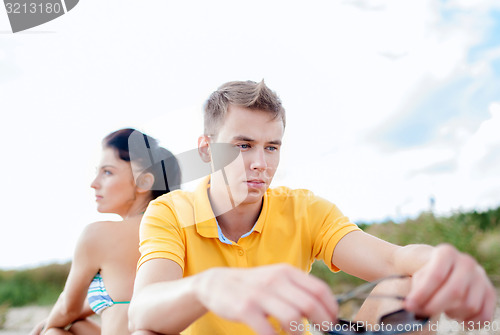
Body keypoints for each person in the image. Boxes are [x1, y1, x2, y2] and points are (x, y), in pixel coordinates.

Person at [128, 81, 497, 335]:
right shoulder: (170, 213)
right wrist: (208, 286)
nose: (261, 163)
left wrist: (437, 263)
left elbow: (393, 261)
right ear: (206, 149)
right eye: (243, 145)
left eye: (271, 147)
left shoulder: (305, 209)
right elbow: (142, 308)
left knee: (409, 285)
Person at [30, 128, 181, 335]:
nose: (94, 184)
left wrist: (44, 327)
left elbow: (67, 308)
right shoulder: (176, 228)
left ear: (144, 181)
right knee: (77, 326)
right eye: (97, 172)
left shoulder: (100, 234)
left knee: (53, 332)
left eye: (107, 172)